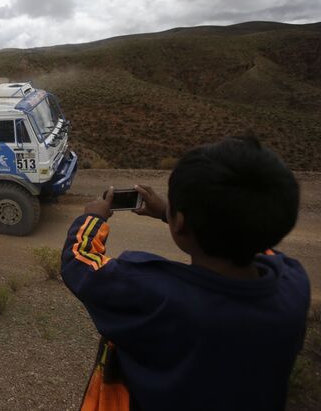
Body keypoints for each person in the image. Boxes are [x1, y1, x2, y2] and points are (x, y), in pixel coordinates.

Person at [61, 137, 309, 411]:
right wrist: (173, 213)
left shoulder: (153, 295)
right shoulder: (293, 285)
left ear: (180, 224)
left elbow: (79, 262)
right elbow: (256, 239)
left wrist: (92, 218)